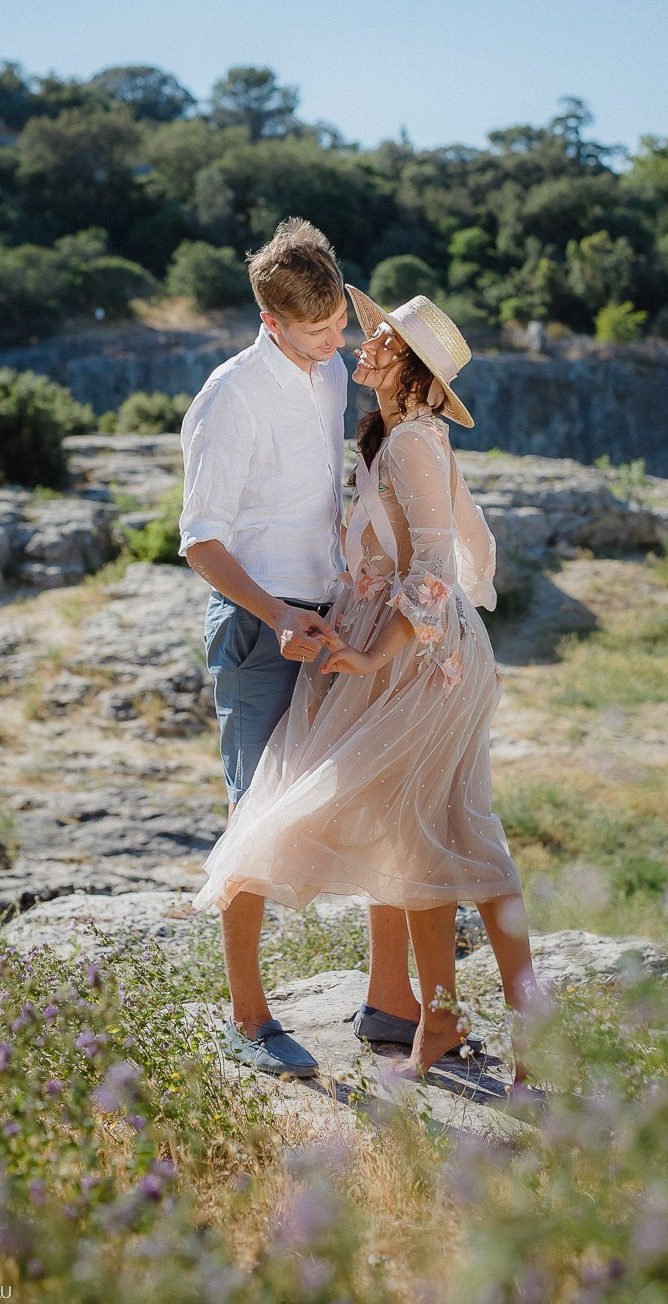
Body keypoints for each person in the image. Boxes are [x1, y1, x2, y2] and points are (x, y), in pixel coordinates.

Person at [194, 287, 542, 1085]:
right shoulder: (385, 434)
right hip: (395, 651)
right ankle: (437, 1028)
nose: (364, 343)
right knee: (418, 840)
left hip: (422, 658)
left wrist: (375, 654)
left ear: (415, 371)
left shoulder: (416, 440)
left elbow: (433, 569)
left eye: (383, 340)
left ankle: (528, 1031)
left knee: (467, 842)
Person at [179, 219, 424, 1081]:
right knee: (255, 820)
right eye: (317, 333)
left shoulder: (326, 378)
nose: (335, 344)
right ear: (270, 320)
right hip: (258, 630)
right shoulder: (228, 396)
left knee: (380, 796)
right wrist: (278, 611)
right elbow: (201, 543)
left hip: (338, 621)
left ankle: (389, 1002)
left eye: (339, 327)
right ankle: (249, 1020)